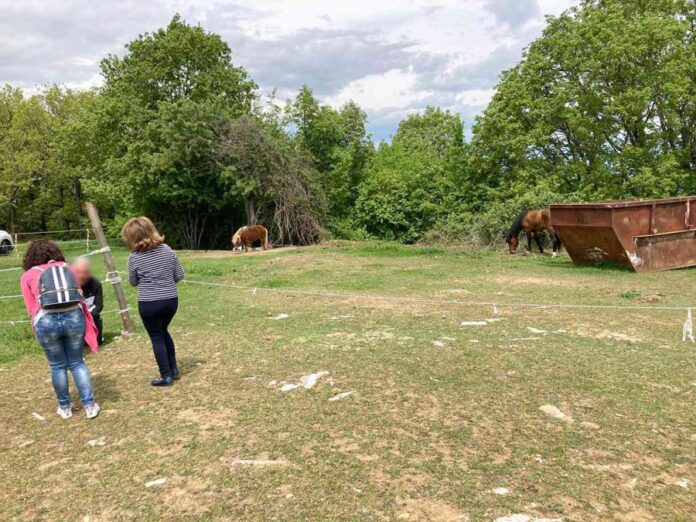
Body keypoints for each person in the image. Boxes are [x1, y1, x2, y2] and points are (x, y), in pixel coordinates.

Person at [20, 240, 101, 420]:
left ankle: (65, 407)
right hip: (73, 317)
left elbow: (30, 307)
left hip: (46, 320)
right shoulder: (68, 268)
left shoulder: (28, 275)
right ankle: (89, 405)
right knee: (77, 362)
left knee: (57, 366)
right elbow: (79, 294)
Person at [122, 216, 184, 386]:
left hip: (149, 302)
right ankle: (173, 369)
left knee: (157, 336)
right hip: (170, 300)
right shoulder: (167, 250)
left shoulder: (134, 258)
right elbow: (179, 275)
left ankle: (166, 375)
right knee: (163, 331)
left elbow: (133, 282)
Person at [73, 257, 104, 345]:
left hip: (91, 318)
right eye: (78, 272)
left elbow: (99, 306)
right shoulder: (68, 285)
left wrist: (88, 318)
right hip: (74, 319)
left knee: (97, 342)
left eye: (85, 272)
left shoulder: (96, 284)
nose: (81, 275)